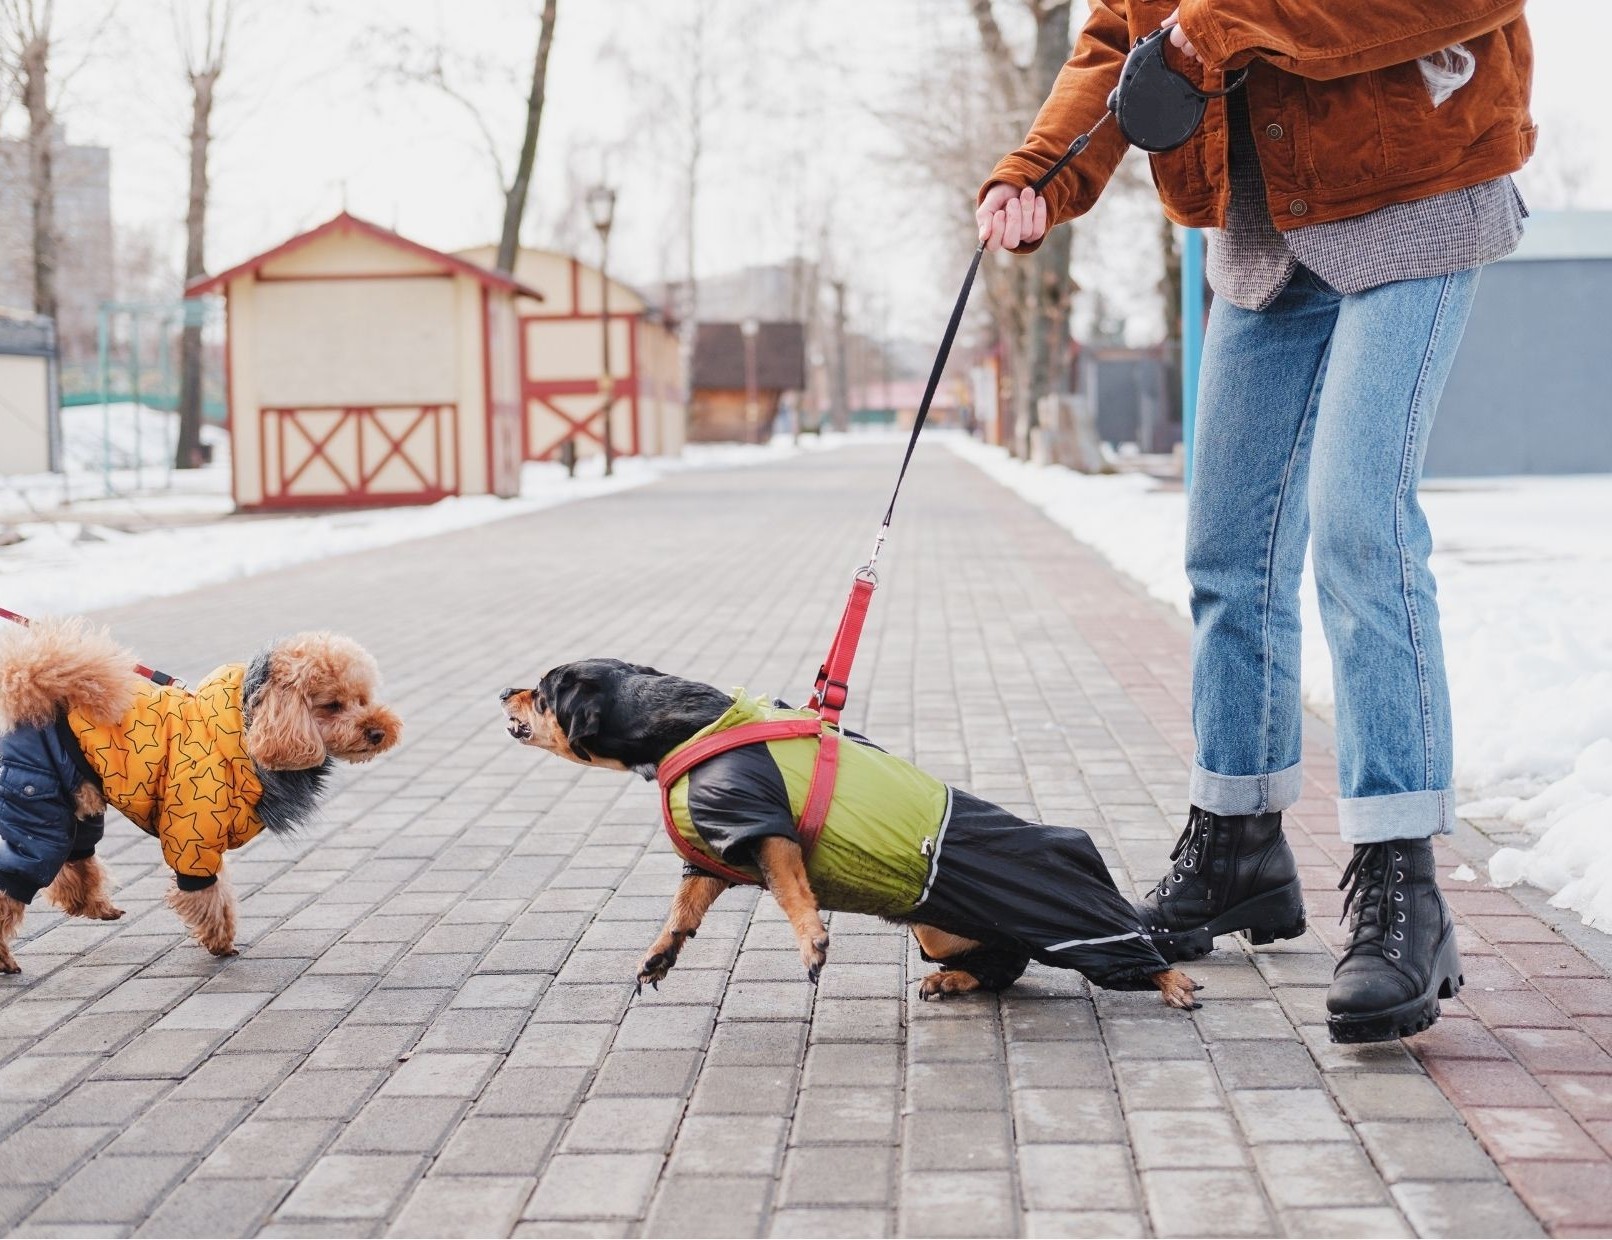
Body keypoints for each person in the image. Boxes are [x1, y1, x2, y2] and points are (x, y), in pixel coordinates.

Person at [977, 1, 1533, 1043]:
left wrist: (1216, 31)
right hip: (1260, 222)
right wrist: (1043, 170)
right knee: (1226, 549)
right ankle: (1236, 842)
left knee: (1359, 520)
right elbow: (1121, 34)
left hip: (1412, 184)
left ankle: (1399, 877)